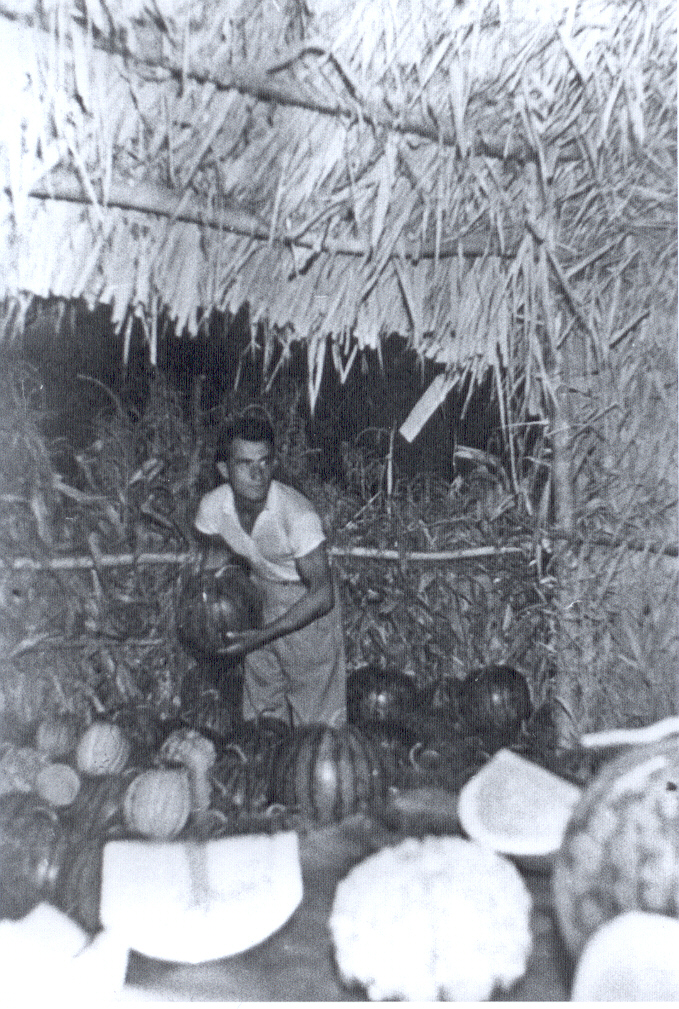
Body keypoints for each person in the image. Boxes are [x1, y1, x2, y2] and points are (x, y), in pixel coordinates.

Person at [193, 410, 346, 727]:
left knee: (317, 727)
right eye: (245, 464)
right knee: (262, 719)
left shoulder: (298, 515)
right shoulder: (212, 507)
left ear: (274, 463)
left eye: (264, 462)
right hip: (258, 597)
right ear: (224, 469)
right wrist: (208, 620)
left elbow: (323, 595)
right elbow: (211, 567)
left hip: (306, 607)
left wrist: (263, 635)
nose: (257, 473)